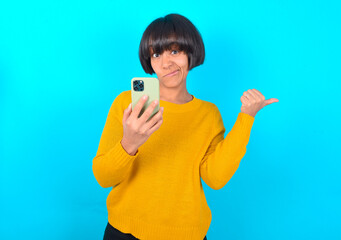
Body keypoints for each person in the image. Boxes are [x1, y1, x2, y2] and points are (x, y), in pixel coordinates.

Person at [92, 13, 279, 240]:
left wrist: (247, 117)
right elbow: (103, 177)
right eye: (156, 54)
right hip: (124, 232)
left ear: (191, 52)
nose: (165, 63)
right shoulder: (127, 104)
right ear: (149, 61)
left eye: (174, 51)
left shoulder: (208, 114)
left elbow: (215, 178)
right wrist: (130, 143)